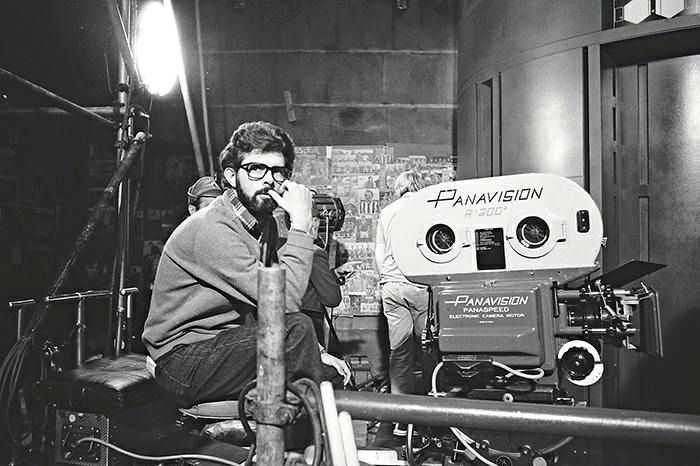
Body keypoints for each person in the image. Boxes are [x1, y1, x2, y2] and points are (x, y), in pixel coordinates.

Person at [143, 121, 323, 407]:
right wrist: (301, 225)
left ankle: (297, 438)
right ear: (230, 175)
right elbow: (285, 302)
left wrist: (319, 353)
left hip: (223, 345)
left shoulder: (264, 224)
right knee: (298, 329)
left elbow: (264, 305)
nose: (268, 180)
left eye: (278, 171)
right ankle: (307, 441)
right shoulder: (212, 229)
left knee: (321, 365)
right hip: (181, 362)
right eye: (255, 169)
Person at [374, 169, 429, 437]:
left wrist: (385, 279)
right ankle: (433, 412)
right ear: (419, 185)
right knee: (429, 347)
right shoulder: (426, 207)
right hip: (419, 285)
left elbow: (379, 251)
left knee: (399, 351)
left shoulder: (387, 212)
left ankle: (400, 419)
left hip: (391, 286)